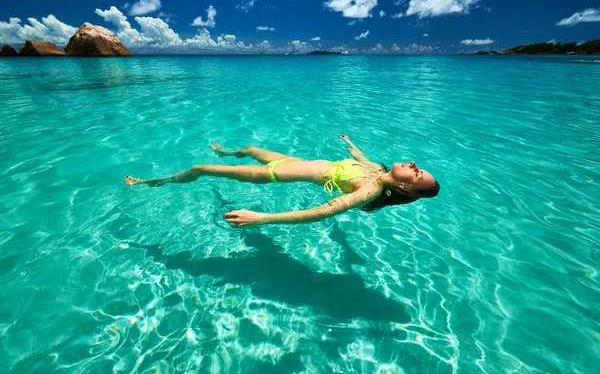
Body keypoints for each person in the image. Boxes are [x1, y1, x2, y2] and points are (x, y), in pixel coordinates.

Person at [124, 135, 440, 227]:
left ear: (406, 188)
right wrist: (350, 142)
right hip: (290, 161)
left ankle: (155, 181)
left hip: (272, 174)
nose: (414, 164)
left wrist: (262, 218)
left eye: (417, 173)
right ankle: (228, 152)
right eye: (419, 166)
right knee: (248, 148)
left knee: (199, 167)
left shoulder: (370, 189)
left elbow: (324, 210)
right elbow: (361, 155)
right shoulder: (375, 170)